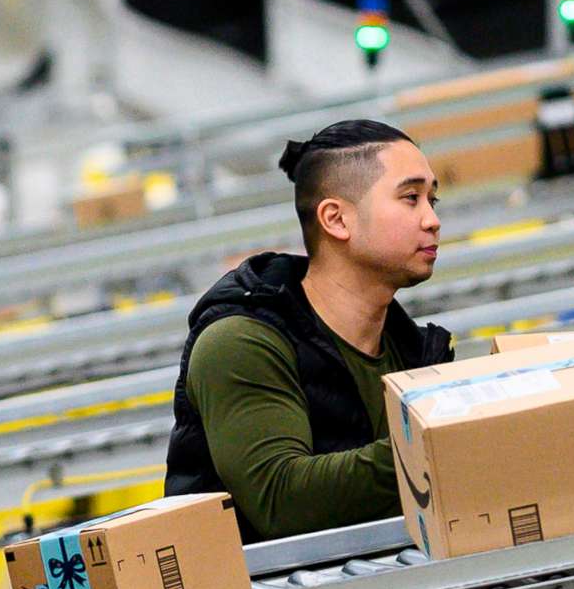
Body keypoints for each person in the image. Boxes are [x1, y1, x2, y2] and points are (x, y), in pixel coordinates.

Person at [165, 119, 453, 543]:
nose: (432, 220)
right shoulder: (240, 343)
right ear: (336, 220)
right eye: (411, 198)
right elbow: (281, 501)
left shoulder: (411, 348)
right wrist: (446, 442)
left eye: (433, 199)